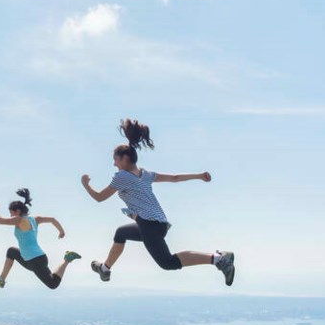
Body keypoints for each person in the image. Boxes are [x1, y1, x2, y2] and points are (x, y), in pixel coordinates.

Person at [80, 119, 235, 286]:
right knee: (121, 233)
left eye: (115, 160)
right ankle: (105, 268)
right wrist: (198, 175)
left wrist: (86, 185)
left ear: (125, 159)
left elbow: (99, 197)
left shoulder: (122, 177)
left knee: (168, 263)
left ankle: (219, 259)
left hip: (149, 226)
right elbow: (174, 178)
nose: (114, 163)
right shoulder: (145, 174)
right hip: (157, 224)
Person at [0, 188, 80, 289]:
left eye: (11, 213)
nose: (10, 216)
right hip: (32, 259)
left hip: (36, 261)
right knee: (11, 251)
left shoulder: (19, 220)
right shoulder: (34, 219)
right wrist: (61, 231)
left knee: (53, 284)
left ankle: (66, 259)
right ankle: (1, 280)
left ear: (17, 211)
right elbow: (52, 220)